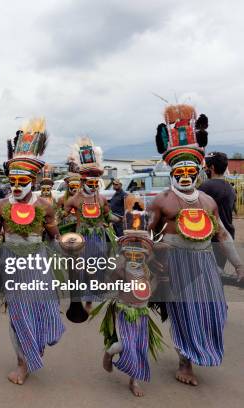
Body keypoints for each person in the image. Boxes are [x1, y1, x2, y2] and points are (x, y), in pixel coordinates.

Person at [150, 103, 244, 386]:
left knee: (216, 310)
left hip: (204, 262)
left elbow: (223, 236)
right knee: (186, 313)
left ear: (199, 170)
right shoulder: (162, 200)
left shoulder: (208, 202)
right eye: (180, 171)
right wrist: (150, 262)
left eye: (191, 170)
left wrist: (239, 265)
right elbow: (145, 234)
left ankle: (197, 351)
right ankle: (185, 362)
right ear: (172, 172)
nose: (186, 176)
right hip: (176, 264)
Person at [0, 117, 64, 385]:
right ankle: (22, 363)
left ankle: (37, 346)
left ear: (33, 179)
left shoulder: (45, 206)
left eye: (23, 179)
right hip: (10, 262)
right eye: (13, 179)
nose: (17, 184)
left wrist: (69, 249)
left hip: (39, 262)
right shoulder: (0, 205)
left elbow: (55, 238)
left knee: (42, 310)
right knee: (18, 313)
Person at [100, 227, 162, 397]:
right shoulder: (122, 268)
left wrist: (159, 280)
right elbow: (110, 281)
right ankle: (109, 352)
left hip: (142, 314)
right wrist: (117, 267)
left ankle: (133, 380)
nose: (135, 255)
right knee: (125, 345)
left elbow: (150, 291)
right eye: (131, 251)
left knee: (139, 348)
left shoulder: (148, 271)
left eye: (141, 251)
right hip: (125, 312)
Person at [64, 137, 114, 311]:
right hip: (82, 237)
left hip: (99, 237)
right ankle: (84, 296)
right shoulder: (74, 200)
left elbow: (108, 216)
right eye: (89, 183)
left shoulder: (101, 199)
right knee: (82, 268)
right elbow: (63, 217)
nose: (93, 186)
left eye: (95, 183)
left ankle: (91, 298)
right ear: (83, 182)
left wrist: (118, 219)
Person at [199, 151, 236, 269]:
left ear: (212, 167)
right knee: (218, 273)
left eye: (206, 167)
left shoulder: (205, 187)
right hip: (227, 237)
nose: (205, 169)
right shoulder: (230, 187)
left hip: (211, 239)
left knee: (207, 276)